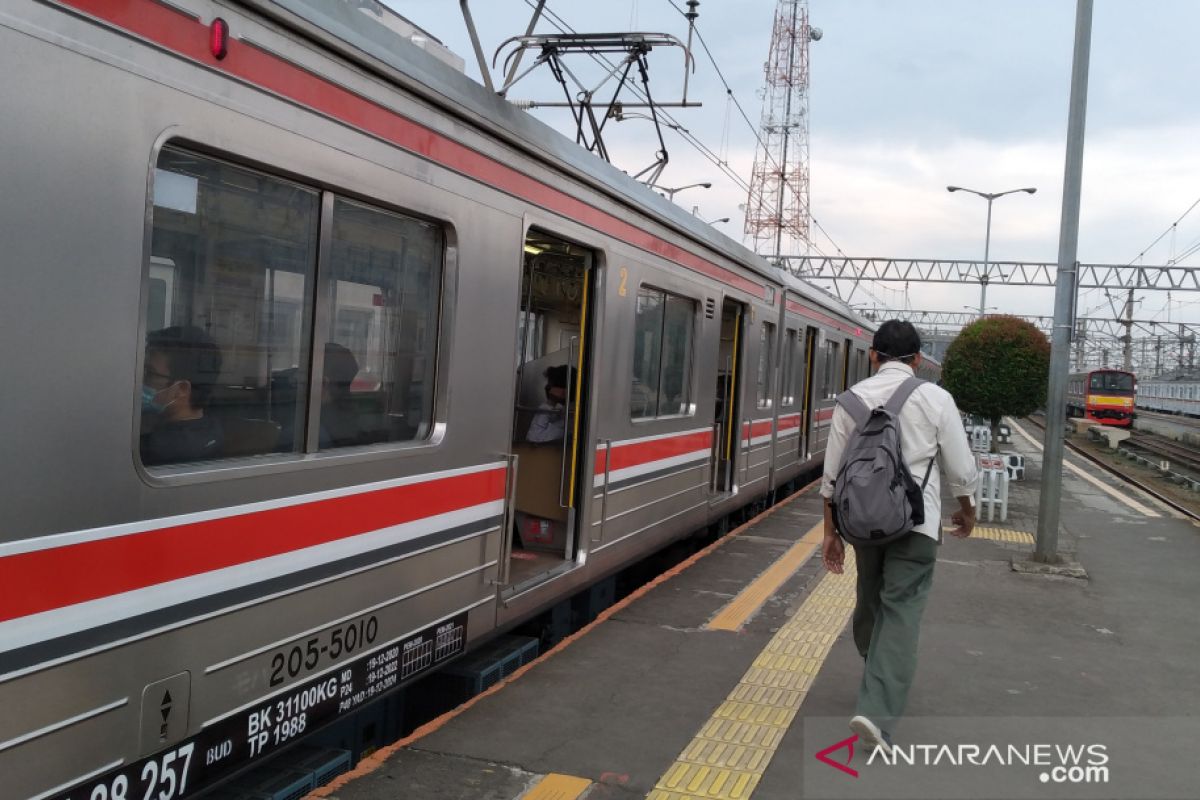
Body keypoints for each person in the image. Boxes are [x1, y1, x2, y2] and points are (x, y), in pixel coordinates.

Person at [820, 319, 978, 753]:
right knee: (901, 611)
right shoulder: (937, 399)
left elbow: (831, 477)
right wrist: (967, 512)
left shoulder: (849, 401)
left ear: (873, 355)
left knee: (870, 601)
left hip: (862, 523)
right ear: (919, 360)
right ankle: (878, 713)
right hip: (917, 525)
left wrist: (829, 533)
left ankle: (879, 679)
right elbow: (961, 469)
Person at [140, 325, 224, 465]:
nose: (141, 382)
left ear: (182, 389)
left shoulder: (162, 448)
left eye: (149, 373)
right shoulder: (211, 427)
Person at [525, 364, 576, 443]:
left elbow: (533, 439)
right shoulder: (563, 410)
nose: (547, 388)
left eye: (550, 385)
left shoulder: (570, 419)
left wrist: (550, 402)